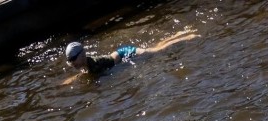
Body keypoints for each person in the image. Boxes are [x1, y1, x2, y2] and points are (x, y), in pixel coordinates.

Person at [63, 30, 199, 82]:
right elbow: (84, 73)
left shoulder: (93, 64)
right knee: (156, 47)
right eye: (69, 60)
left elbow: (92, 76)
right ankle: (177, 34)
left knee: (158, 51)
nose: (72, 62)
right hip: (120, 53)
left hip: (127, 53)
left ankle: (186, 37)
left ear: (82, 55)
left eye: (74, 58)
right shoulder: (86, 64)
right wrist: (70, 80)